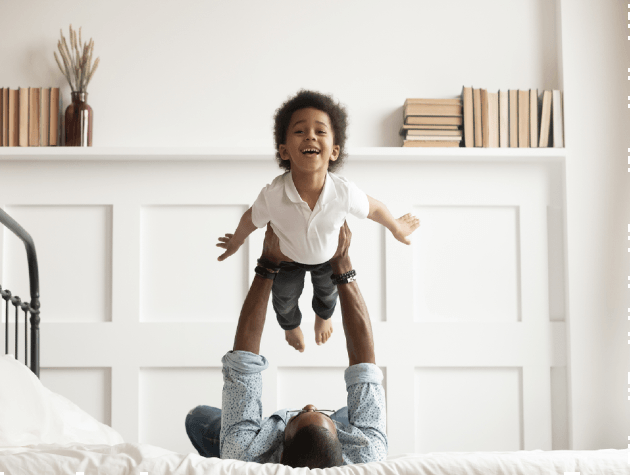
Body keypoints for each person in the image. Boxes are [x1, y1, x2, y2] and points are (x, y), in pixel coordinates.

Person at [216, 90, 419, 352]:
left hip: (327, 259)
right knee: (284, 300)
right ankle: (290, 326)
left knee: (327, 294)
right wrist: (236, 240)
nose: (310, 135)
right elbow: (250, 219)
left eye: (320, 131)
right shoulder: (274, 194)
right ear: (284, 150)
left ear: (334, 151)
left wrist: (396, 226)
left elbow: (375, 208)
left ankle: (323, 318)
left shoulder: (343, 191)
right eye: (300, 131)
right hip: (287, 260)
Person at [186, 222, 387, 468]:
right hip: (334, 438)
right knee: (356, 408)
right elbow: (364, 368)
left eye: (300, 414)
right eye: (316, 412)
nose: (307, 405)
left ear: (280, 457)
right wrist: (343, 264)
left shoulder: (246, 455)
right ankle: (315, 320)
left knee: (197, 418)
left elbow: (243, 363)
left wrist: (267, 264)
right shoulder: (367, 454)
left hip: (256, 441)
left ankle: (248, 434)